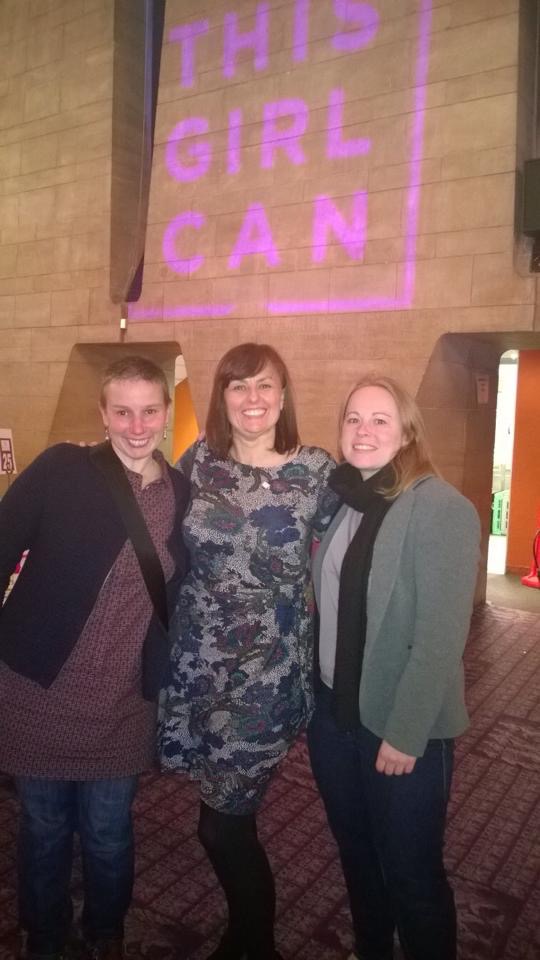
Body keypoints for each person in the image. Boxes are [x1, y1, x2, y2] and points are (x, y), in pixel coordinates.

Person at [0, 356, 190, 960]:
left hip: (123, 697)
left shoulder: (182, 493)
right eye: (122, 411)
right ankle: (44, 932)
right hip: (37, 687)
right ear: (102, 415)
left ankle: (106, 929)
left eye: (150, 411)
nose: (137, 426)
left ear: (166, 414)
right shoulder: (63, 467)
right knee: (44, 825)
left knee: (109, 833)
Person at [159, 342, 337, 960]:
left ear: (284, 396)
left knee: (223, 824)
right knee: (216, 814)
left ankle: (252, 942)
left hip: (265, 674)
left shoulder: (316, 471)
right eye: (239, 386)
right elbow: (158, 528)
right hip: (197, 665)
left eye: (265, 386)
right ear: (222, 398)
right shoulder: (199, 460)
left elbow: (364, 542)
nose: (253, 399)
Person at [307, 375, 480, 960]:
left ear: (407, 431)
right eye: (354, 418)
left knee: (411, 872)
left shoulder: (440, 509)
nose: (364, 430)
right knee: (356, 854)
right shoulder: (346, 501)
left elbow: (439, 640)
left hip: (398, 724)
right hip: (335, 719)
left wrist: (406, 733)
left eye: (381, 419)